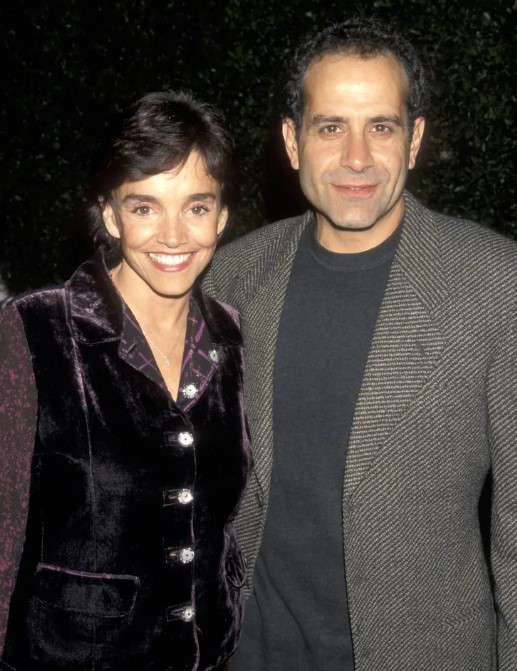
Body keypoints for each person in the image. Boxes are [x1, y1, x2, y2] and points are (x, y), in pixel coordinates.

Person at [203, 17, 517, 671]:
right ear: (291, 141)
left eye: (380, 126)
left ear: (414, 139)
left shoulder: (494, 283)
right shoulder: (230, 276)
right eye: (329, 127)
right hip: (249, 650)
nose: (355, 157)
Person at [0, 90, 251, 671]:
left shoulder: (232, 337)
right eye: (145, 207)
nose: (173, 235)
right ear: (111, 214)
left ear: (221, 216)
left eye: (195, 207)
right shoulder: (35, 331)